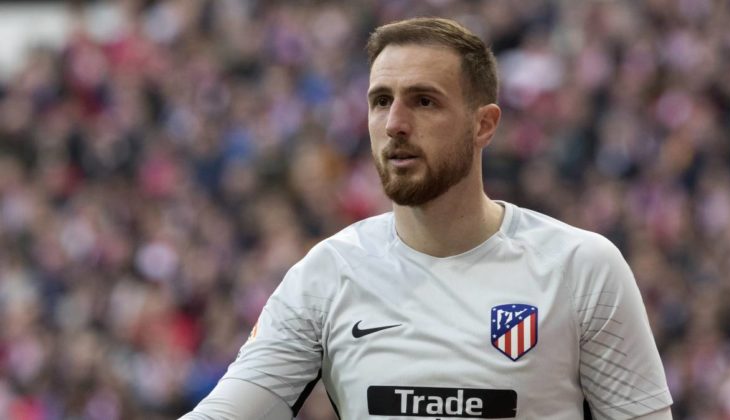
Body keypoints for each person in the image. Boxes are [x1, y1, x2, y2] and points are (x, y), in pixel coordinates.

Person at [180, 17, 673, 419]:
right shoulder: (327, 275)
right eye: (381, 101)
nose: (395, 123)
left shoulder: (581, 269)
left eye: (424, 101)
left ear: (484, 125)